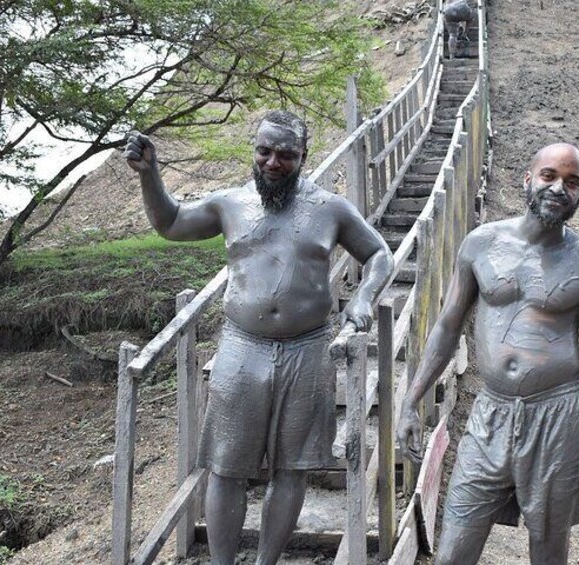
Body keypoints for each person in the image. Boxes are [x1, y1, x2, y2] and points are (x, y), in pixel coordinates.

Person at [124, 110, 394, 565]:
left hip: (308, 348)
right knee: (225, 467)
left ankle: (267, 561)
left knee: (293, 467)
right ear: (254, 150)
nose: (273, 161)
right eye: (264, 151)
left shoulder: (331, 209)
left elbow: (380, 254)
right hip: (242, 346)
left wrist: (365, 298)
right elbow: (170, 224)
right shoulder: (230, 203)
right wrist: (150, 175)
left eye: (286, 154)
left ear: (303, 157)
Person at [397, 143, 579, 564]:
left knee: (547, 546)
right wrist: (410, 401)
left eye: (572, 182)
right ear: (528, 179)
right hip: (490, 415)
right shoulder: (482, 244)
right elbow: (448, 326)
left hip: (558, 417)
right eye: (549, 175)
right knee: (453, 549)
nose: (559, 188)